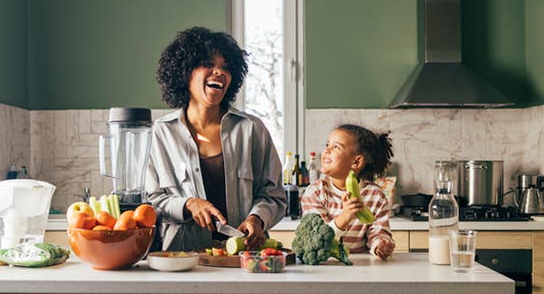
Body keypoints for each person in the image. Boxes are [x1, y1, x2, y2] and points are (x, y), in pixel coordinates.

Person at [145, 26, 286, 251]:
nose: (219, 72)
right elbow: (150, 202)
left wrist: (257, 219)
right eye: (208, 64)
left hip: (245, 260)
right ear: (185, 72)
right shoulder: (160, 134)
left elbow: (274, 195)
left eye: (226, 67)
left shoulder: (252, 129)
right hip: (183, 260)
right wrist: (188, 204)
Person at [301, 124, 395, 260]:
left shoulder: (375, 195)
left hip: (360, 266)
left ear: (356, 162)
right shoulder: (315, 192)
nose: (326, 150)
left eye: (336, 147)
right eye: (327, 144)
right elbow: (315, 240)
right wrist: (345, 216)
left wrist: (380, 245)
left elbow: (378, 232)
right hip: (325, 264)